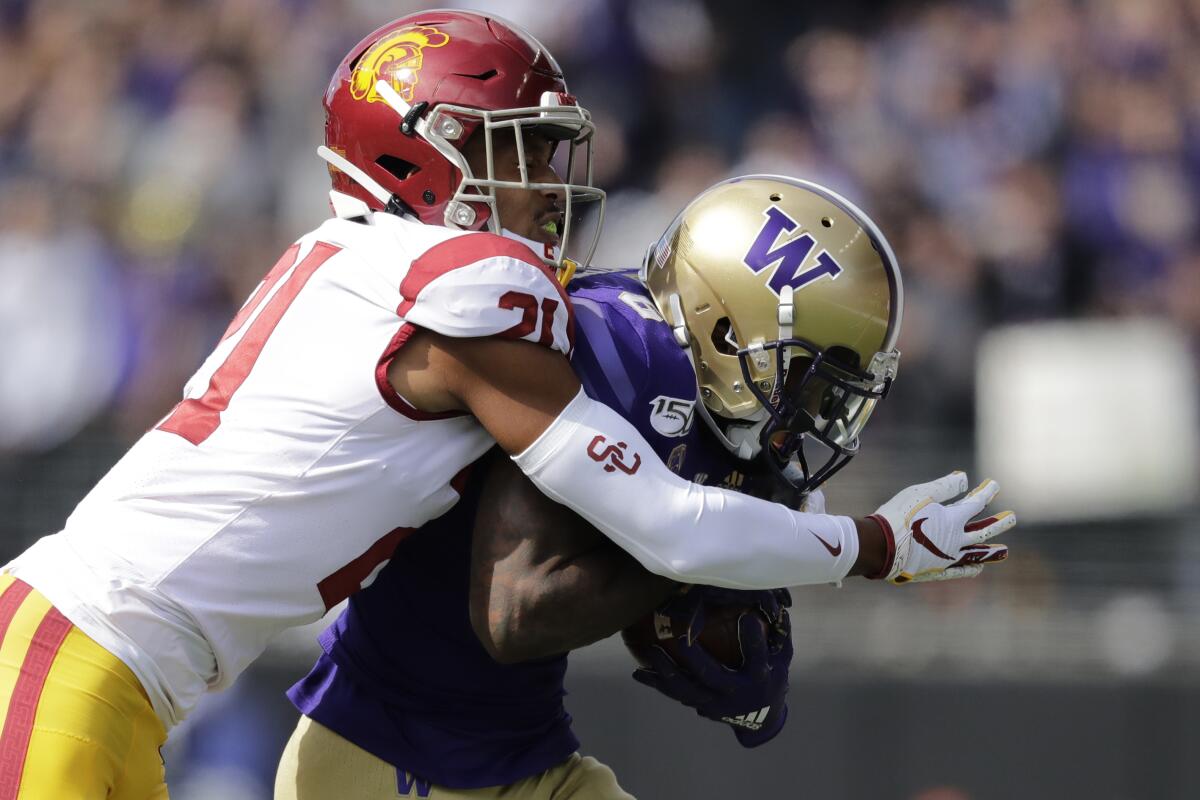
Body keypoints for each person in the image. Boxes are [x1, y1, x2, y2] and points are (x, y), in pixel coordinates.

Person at [0, 11, 1013, 799]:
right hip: (78, 654)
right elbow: (664, 525)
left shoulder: (362, 257)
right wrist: (880, 542)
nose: (542, 182)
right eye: (514, 148)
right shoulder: (470, 283)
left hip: (106, 664)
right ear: (418, 151)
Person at [272, 174, 1012, 800]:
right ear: (725, 330)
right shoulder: (617, 351)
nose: (812, 414)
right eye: (804, 376)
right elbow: (517, 611)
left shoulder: (708, 396)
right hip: (386, 755)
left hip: (519, 756)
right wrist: (861, 546)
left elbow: (679, 564)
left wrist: (733, 617)